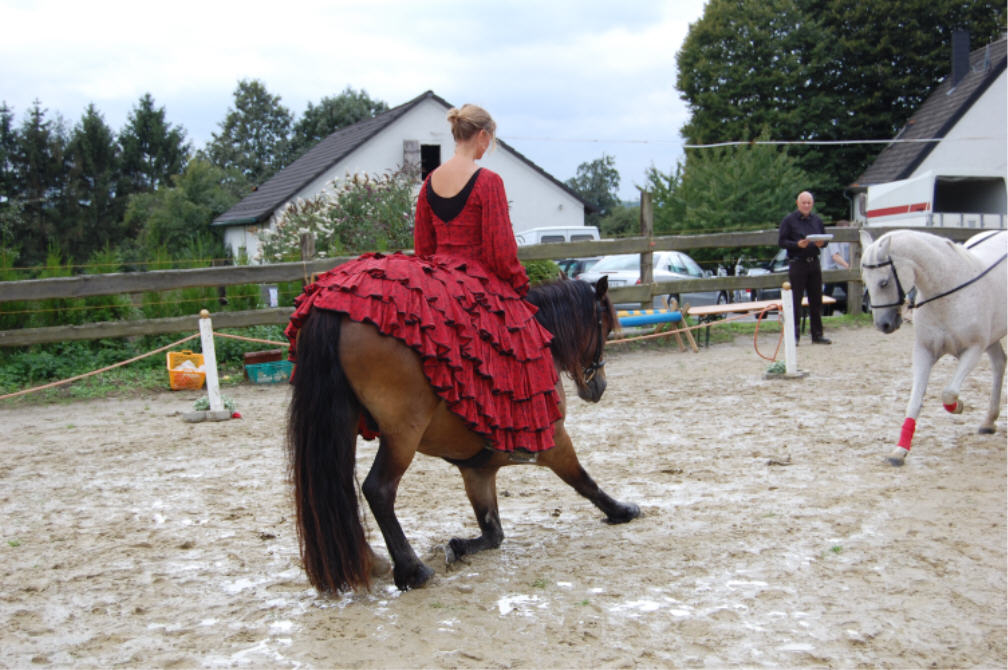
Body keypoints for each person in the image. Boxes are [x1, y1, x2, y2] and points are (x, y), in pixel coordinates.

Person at [286, 104, 560, 459]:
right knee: (520, 346)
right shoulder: (489, 182)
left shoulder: (430, 181)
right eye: (488, 142)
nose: (486, 148)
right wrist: (517, 288)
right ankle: (509, 438)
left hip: (437, 276)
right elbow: (500, 251)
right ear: (482, 136)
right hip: (478, 282)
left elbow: (424, 247)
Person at [778, 191, 831, 344]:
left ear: (812, 203)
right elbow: (782, 242)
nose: (807, 205)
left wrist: (822, 243)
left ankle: (817, 334)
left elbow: (825, 238)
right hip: (797, 263)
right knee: (796, 300)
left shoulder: (817, 220)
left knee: (816, 299)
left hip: (814, 262)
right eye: (804, 203)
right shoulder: (789, 220)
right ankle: (793, 335)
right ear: (798, 203)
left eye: (809, 203)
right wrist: (797, 245)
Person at [820, 219, 851, 315]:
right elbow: (835, 256)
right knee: (827, 294)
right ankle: (824, 314)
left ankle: (851, 311)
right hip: (830, 270)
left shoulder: (847, 241)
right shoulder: (833, 239)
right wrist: (848, 266)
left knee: (849, 290)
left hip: (840, 270)